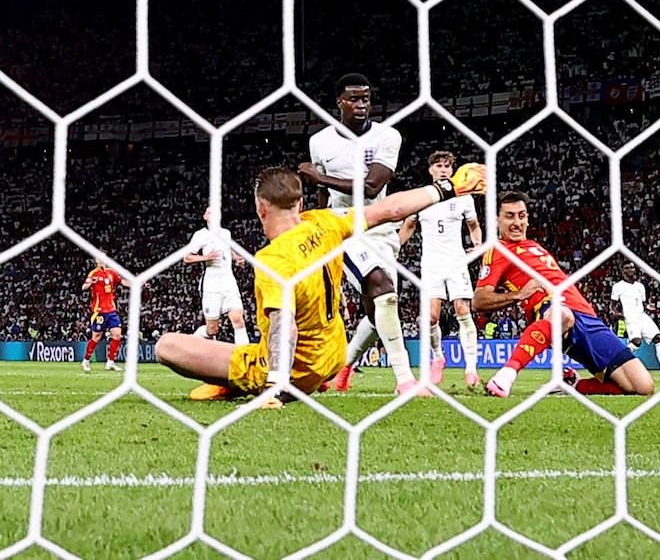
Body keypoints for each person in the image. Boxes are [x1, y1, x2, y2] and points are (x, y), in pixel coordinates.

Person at [154, 163, 486, 406]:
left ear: (260, 208)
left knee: (167, 346)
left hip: (299, 369)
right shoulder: (326, 222)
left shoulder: (273, 259)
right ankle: (240, 382)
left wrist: (275, 386)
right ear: (300, 204)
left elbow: (285, 327)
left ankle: (254, 384)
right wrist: (446, 188)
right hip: (334, 355)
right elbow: (390, 209)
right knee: (244, 350)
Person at [298, 74, 416, 394]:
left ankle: (342, 367)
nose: (361, 105)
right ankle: (405, 380)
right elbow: (323, 195)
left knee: (381, 305)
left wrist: (320, 176)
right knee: (382, 288)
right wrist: (321, 227)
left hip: (381, 227)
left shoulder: (387, 136)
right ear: (339, 102)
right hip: (344, 228)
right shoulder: (320, 141)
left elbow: (373, 185)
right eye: (354, 99)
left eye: (366, 99)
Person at [476, 191, 654, 398]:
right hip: (552, 312)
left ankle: (571, 384)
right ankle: (506, 375)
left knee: (642, 387)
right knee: (562, 315)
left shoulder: (534, 246)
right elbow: (479, 300)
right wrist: (518, 295)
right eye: (509, 216)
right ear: (496, 219)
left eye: (521, 215)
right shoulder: (498, 250)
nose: (517, 222)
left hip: (588, 318)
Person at [398, 151, 484, 391]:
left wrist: (477, 244)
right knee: (431, 317)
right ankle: (438, 357)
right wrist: (393, 248)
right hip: (431, 264)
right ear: (431, 170)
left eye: (448, 166)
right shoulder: (422, 198)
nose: (444, 169)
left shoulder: (464, 198)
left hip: (456, 261)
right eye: (439, 165)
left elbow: (474, 226)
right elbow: (409, 226)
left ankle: (471, 370)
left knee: (462, 309)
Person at [184, 207, 249, 347]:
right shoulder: (200, 235)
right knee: (212, 330)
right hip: (211, 286)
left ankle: (244, 358)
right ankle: (193, 339)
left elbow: (228, 249)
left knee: (238, 319)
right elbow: (187, 258)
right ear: (205, 217)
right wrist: (206, 257)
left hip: (229, 283)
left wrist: (237, 258)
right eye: (209, 212)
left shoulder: (226, 233)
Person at [611, 263, 660, 378]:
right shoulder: (618, 286)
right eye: (628, 268)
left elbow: (641, 303)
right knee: (636, 342)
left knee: (658, 339)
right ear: (623, 271)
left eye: (632, 267)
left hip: (642, 316)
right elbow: (613, 304)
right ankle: (616, 361)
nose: (631, 270)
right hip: (630, 317)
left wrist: (649, 307)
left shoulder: (640, 286)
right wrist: (616, 313)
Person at [82, 261, 130, 372]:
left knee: (117, 335)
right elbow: (84, 287)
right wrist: (91, 283)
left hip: (111, 310)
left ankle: (110, 362)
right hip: (99, 311)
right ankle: (86, 360)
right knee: (96, 337)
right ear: (96, 261)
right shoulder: (93, 273)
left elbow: (122, 281)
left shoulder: (111, 272)